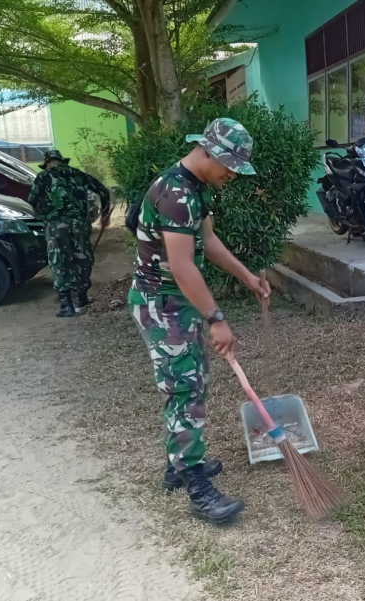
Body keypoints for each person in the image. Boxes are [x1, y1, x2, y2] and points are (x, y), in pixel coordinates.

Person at [128, 118, 270, 525]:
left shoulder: (194, 188)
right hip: (161, 303)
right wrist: (216, 317)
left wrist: (247, 277)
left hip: (178, 300)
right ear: (208, 152)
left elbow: (207, 242)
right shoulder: (175, 194)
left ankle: (178, 464)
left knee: (192, 380)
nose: (232, 175)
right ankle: (196, 487)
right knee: (184, 388)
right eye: (230, 166)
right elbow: (182, 265)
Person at [28, 149, 111, 317]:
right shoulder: (78, 174)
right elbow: (103, 191)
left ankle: (66, 305)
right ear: (62, 161)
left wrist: (45, 217)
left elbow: (32, 200)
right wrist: (104, 215)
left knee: (60, 260)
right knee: (82, 257)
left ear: (47, 163)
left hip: (57, 225)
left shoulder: (44, 176)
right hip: (80, 224)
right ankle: (82, 298)